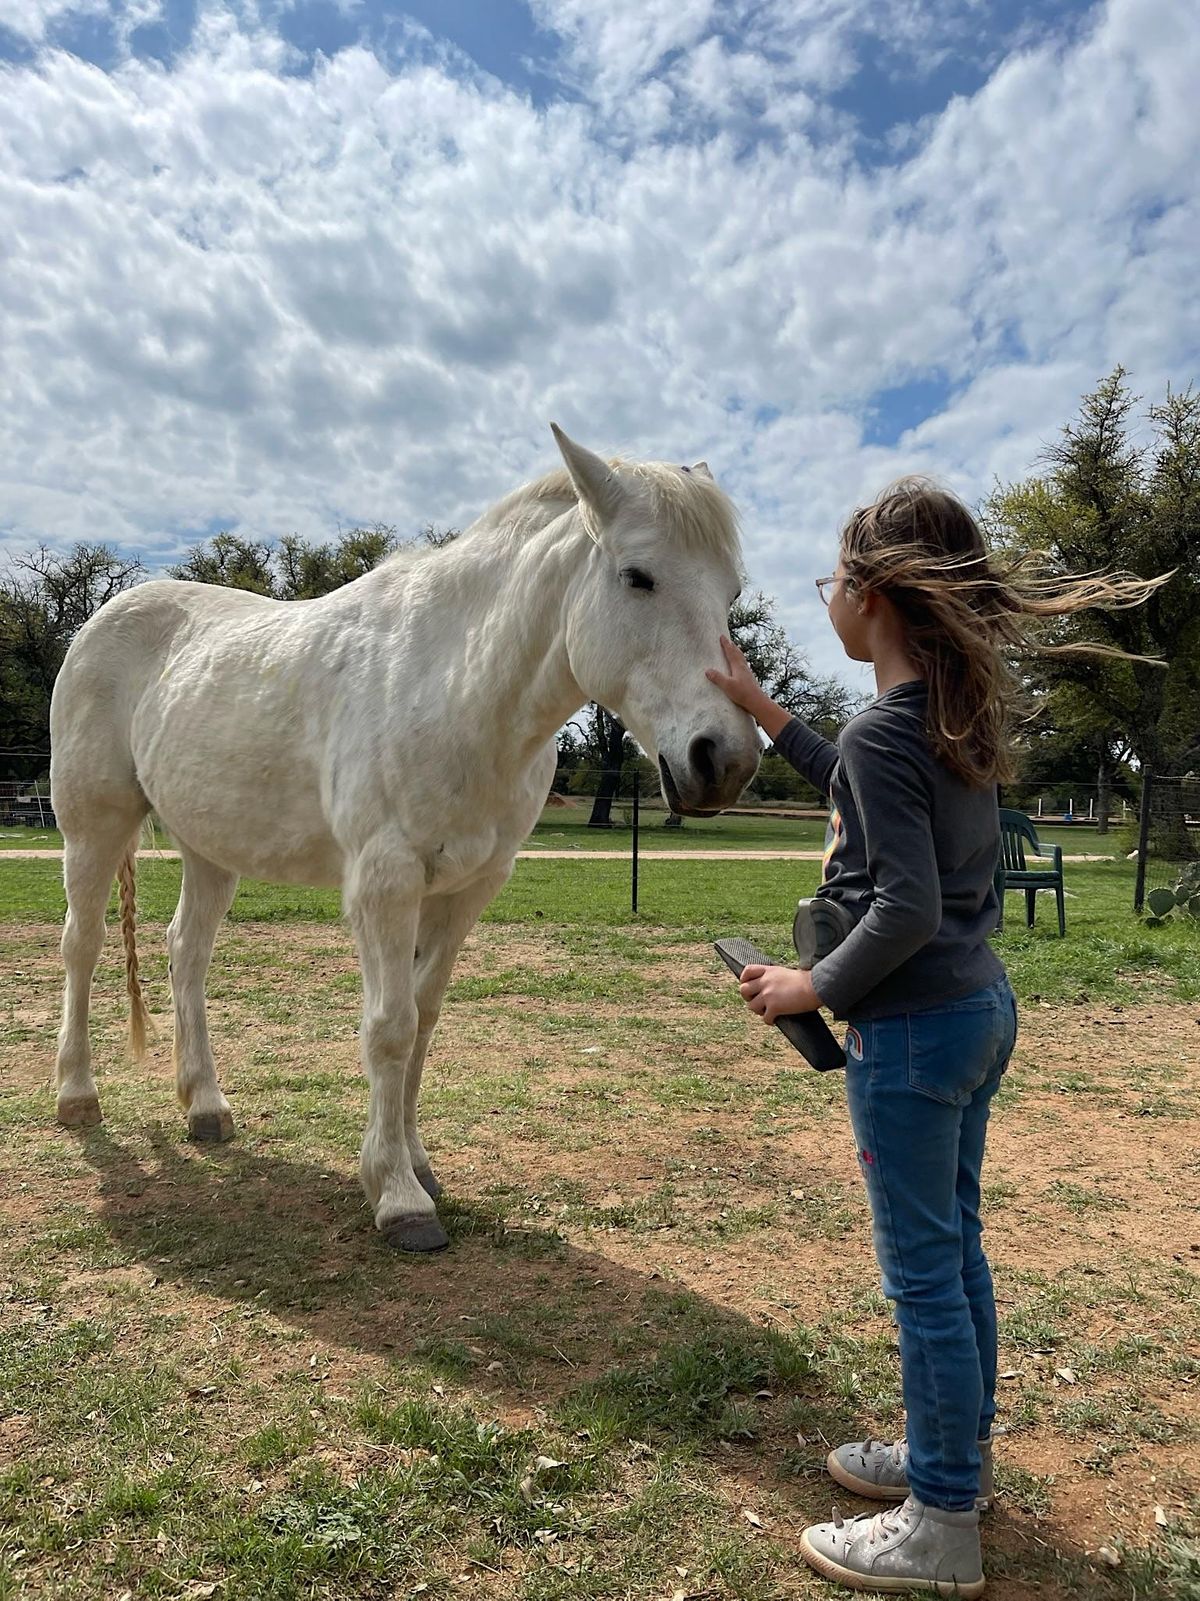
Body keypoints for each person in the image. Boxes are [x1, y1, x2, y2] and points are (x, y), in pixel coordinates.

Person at [706, 478, 1159, 1598]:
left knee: (922, 1278)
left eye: (833, 579)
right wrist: (766, 710)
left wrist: (812, 982)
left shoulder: (888, 732)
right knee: (956, 1254)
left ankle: (939, 1522)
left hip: (908, 1036)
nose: (830, 596)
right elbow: (869, 791)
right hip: (976, 1012)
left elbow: (899, 906)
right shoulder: (947, 722)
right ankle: (952, 1455)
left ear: (869, 596)